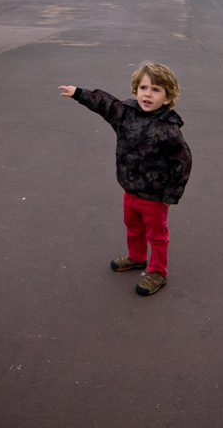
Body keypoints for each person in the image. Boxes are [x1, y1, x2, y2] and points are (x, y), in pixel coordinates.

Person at [58, 62, 192, 296]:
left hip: (153, 196)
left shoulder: (169, 129)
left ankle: (158, 271)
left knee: (156, 235)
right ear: (136, 91)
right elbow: (105, 104)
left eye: (156, 89)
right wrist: (79, 93)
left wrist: (172, 193)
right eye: (143, 88)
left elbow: (182, 161)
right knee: (132, 227)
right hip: (129, 188)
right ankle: (137, 257)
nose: (147, 94)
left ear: (168, 98)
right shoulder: (125, 113)